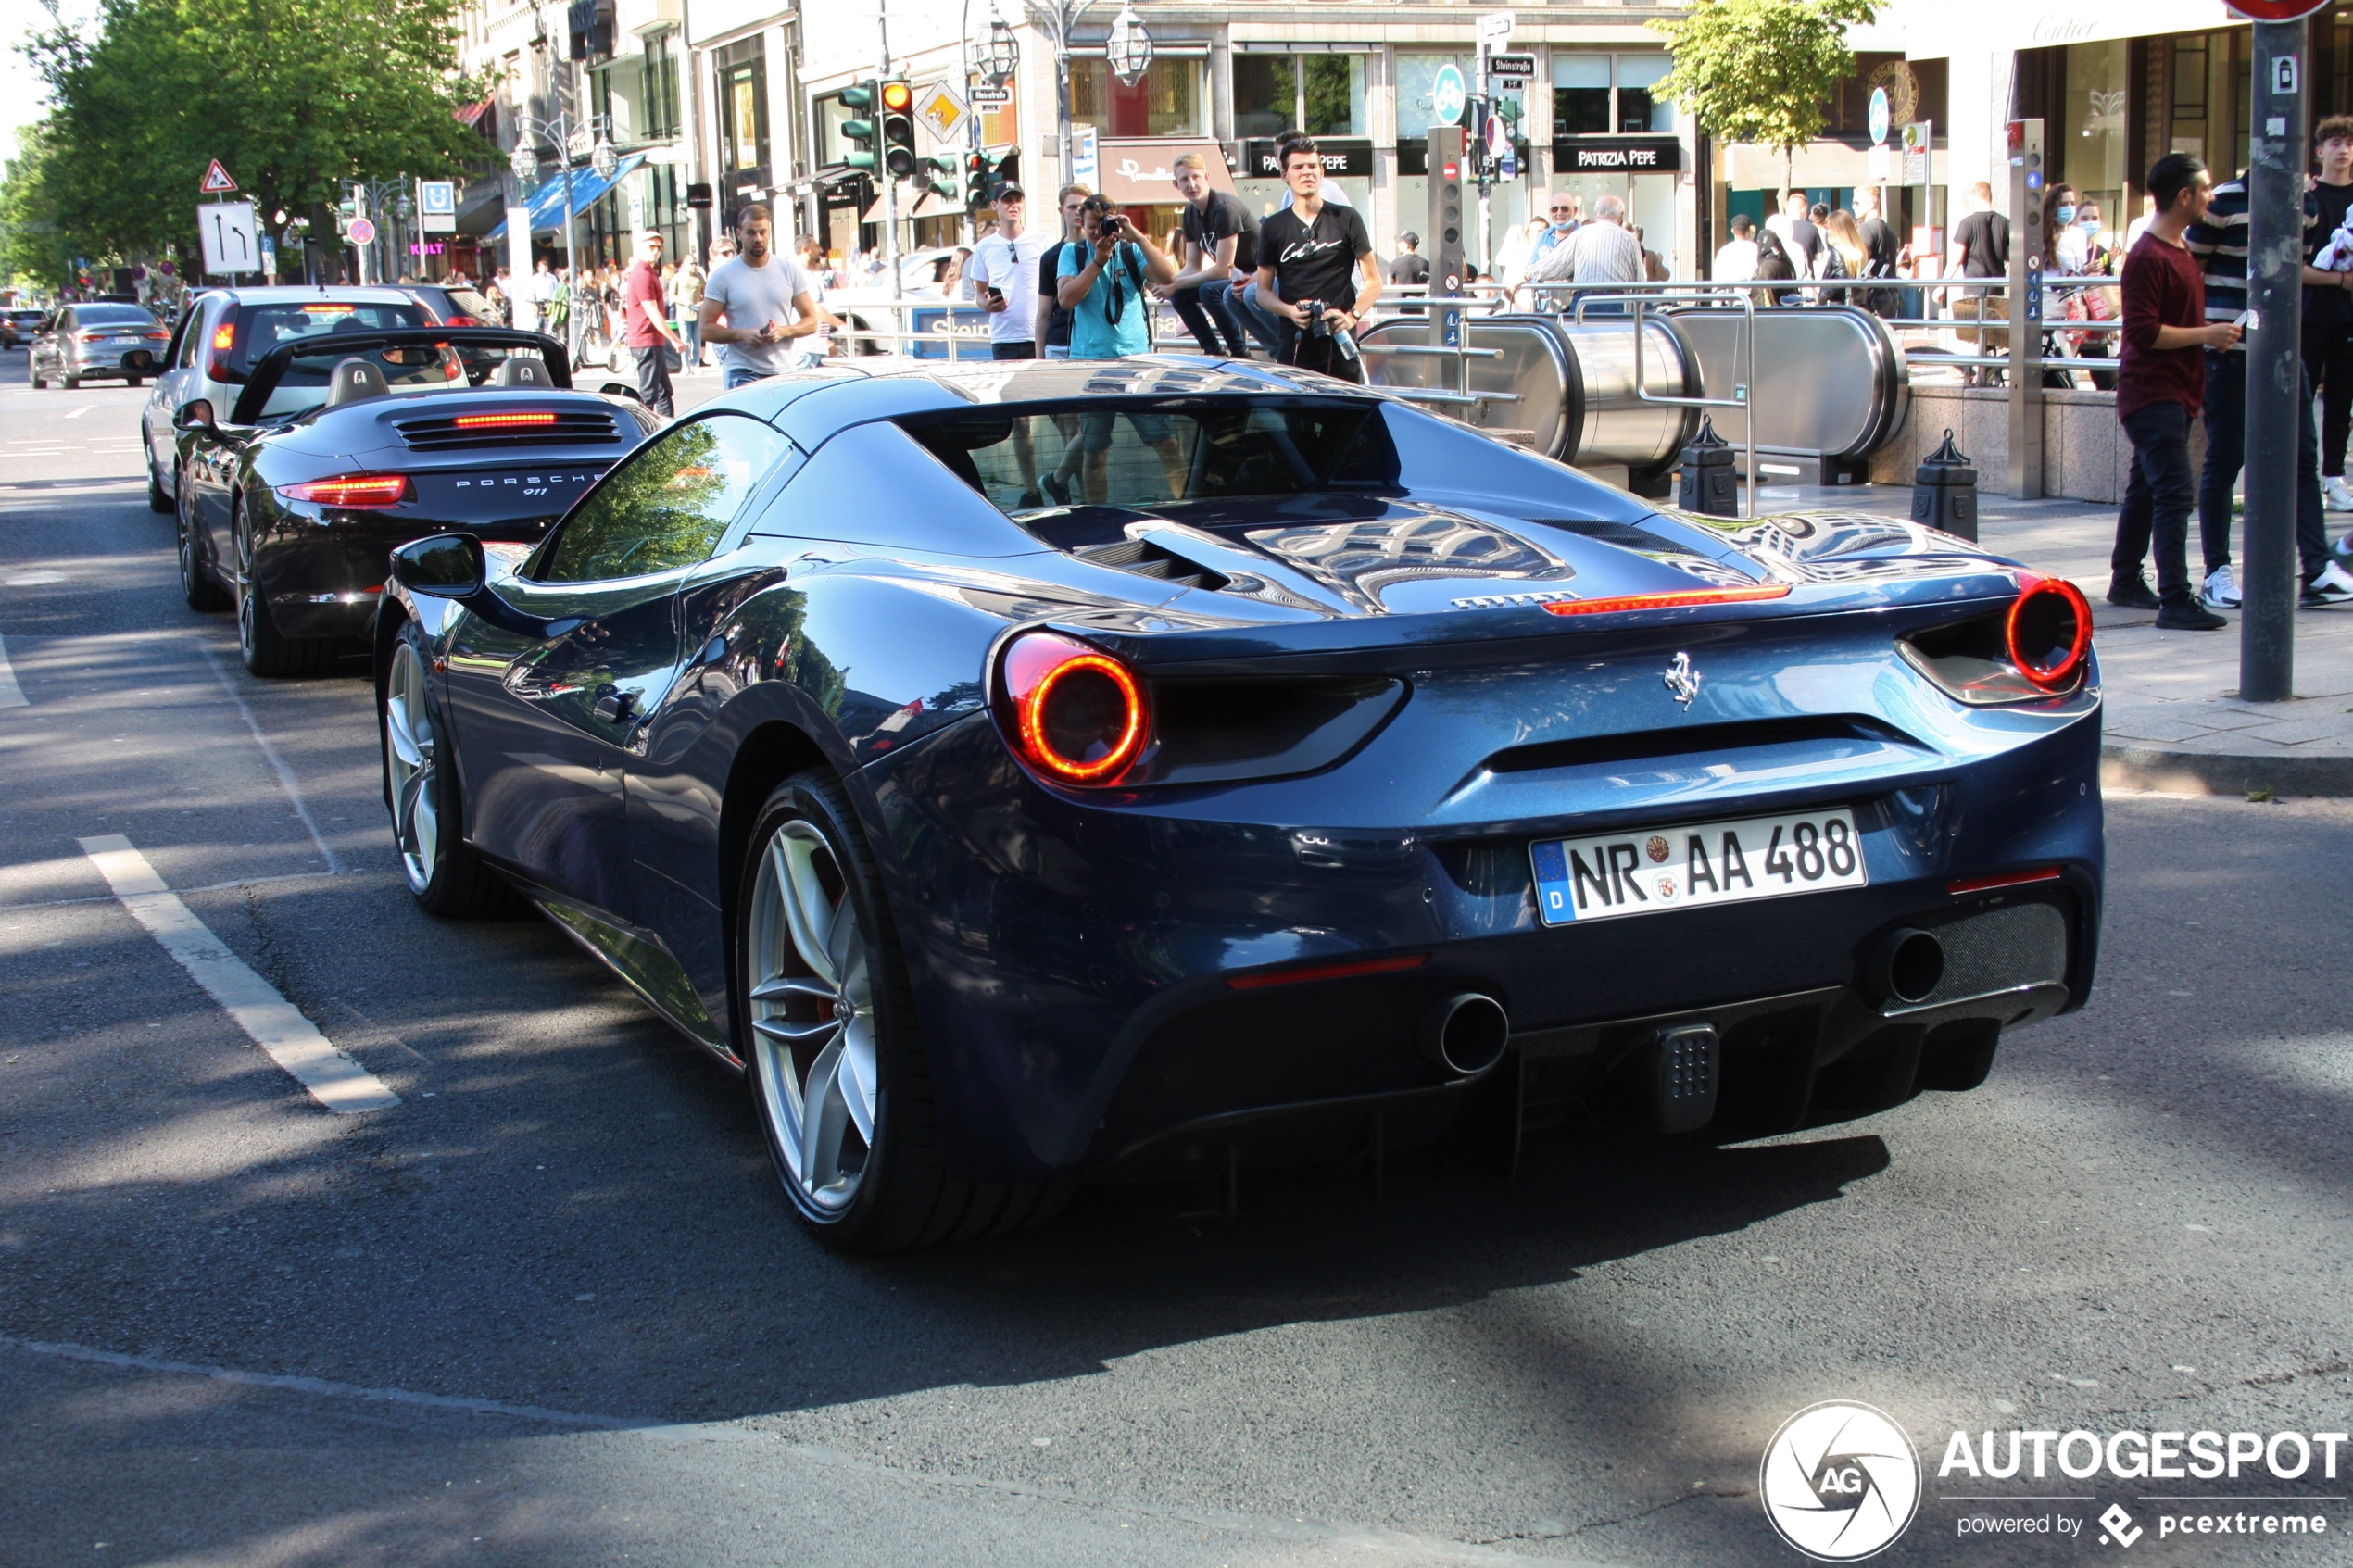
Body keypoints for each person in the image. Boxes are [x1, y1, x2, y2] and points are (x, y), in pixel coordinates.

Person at [2184, 162, 2347, 608]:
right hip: (2229, 350)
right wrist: (2204, 335)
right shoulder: (2223, 202)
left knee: (2301, 454)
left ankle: (2315, 569)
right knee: (2226, 455)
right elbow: (2190, 268)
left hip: (2284, 351)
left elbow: (2294, 269)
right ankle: (2216, 570)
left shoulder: (2307, 206)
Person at [2111, 154, 2241, 629]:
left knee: (2146, 489)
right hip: (2152, 393)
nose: (2211, 196)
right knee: (2173, 493)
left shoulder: (2180, 250)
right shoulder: (2148, 256)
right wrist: (2206, 334)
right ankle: (2175, 599)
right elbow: (2143, 332)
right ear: (2184, 196)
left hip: (2174, 392)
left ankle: (2125, 578)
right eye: (2205, 189)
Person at [1041, 195, 1182, 505]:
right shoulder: (1073, 252)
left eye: (1102, 226)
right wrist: (1097, 262)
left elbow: (1168, 277)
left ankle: (1182, 505)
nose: (1097, 233)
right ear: (1082, 223)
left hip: (1137, 362)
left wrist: (1139, 237)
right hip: (1091, 365)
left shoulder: (1130, 250)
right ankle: (1098, 517)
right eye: (1091, 227)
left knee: (1168, 442)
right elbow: (1065, 300)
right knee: (1095, 453)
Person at [1252, 133, 1383, 383]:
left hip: (1340, 340)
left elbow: (1374, 281)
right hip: (1295, 343)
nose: (1306, 172)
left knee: (1348, 419)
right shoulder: (1273, 226)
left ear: (1322, 171)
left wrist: (1351, 316)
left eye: (1312, 166)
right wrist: (1290, 311)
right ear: (1284, 175)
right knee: (1296, 419)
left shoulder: (1347, 218)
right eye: (1298, 167)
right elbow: (1263, 292)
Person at [698, 204, 828, 391]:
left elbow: (810, 321)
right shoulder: (724, 276)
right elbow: (705, 329)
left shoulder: (788, 270)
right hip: (743, 371)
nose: (758, 238)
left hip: (784, 371)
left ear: (769, 233)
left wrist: (785, 331)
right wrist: (742, 334)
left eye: (763, 232)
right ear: (739, 233)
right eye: (751, 233)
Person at [1158, 152, 1267, 358]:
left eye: (1196, 177)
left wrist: (1175, 283)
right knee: (1179, 294)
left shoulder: (1224, 208)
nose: (1191, 184)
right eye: (1184, 179)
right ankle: (1212, 350)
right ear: (1176, 184)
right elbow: (1192, 266)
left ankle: (1239, 351)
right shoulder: (1190, 213)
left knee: (1209, 290)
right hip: (1235, 275)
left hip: (1258, 274)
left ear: (1207, 177)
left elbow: (1222, 270)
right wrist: (1166, 283)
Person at [2307, 115, 2353, 513]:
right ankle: (2298, 475)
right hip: (2310, 313)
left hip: (2348, 317)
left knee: (2342, 397)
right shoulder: (2308, 197)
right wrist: (2338, 282)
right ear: (2320, 151)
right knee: (2300, 396)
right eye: (2335, 143)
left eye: (2349, 143)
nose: (2343, 150)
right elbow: (2292, 265)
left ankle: (2334, 476)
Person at [967, 183, 1049, 361]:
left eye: (1018, 200)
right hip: (1004, 336)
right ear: (994, 205)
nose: (1014, 205)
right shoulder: (984, 246)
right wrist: (987, 304)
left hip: (1039, 334)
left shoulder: (1042, 241)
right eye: (1007, 200)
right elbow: (980, 294)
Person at [1527, 192, 1646, 310]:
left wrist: (1530, 272)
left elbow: (1555, 266)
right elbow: (1640, 279)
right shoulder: (1629, 239)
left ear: (1597, 213)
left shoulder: (1581, 234)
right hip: (1617, 301)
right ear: (1620, 216)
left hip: (1584, 301)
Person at [1948, 182, 2009, 383]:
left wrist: (1941, 285)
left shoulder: (1967, 223)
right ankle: (1990, 372)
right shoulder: (2004, 223)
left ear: (1973, 198)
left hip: (1974, 289)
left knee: (1973, 334)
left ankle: (1976, 373)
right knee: (1991, 333)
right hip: (1996, 290)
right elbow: (2011, 257)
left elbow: (1957, 258)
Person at [621, 231, 683, 416]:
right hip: (646, 341)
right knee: (649, 396)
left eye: (659, 248)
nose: (656, 251)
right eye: (651, 247)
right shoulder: (642, 274)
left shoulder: (647, 272)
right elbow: (652, 312)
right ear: (640, 248)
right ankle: (646, 436)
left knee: (664, 393)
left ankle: (665, 432)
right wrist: (674, 338)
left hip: (651, 341)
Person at [1032, 184, 1092, 360]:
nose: (1078, 212)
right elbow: (1044, 313)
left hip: (1095, 341)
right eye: (1072, 207)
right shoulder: (1050, 257)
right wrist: (1038, 359)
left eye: (1083, 207)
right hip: (1060, 341)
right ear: (1061, 211)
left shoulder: (1103, 249)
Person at [1767, 189, 1820, 279]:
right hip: (1802, 282)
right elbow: (1819, 259)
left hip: (1777, 281)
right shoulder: (1811, 229)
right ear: (1804, 209)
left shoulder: (1775, 227)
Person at [671, 253, 707, 367]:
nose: (694, 266)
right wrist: (685, 302)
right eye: (691, 264)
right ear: (684, 265)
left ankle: (696, 364)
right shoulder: (677, 277)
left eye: (695, 263)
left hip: (697, 313)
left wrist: (702, 303)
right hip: (683, 313)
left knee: (696, 340)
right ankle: (685, 365)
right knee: (685, 340)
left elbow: (707, 295)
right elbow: (672, 296)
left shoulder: (699, 278)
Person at [1711, 214, 1759, 282]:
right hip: (1750, 290)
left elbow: (1717, 277)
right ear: (1748, 231)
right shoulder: (1756, 249)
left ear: (1732, 230)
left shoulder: (1724, 251)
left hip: (1729, 291)